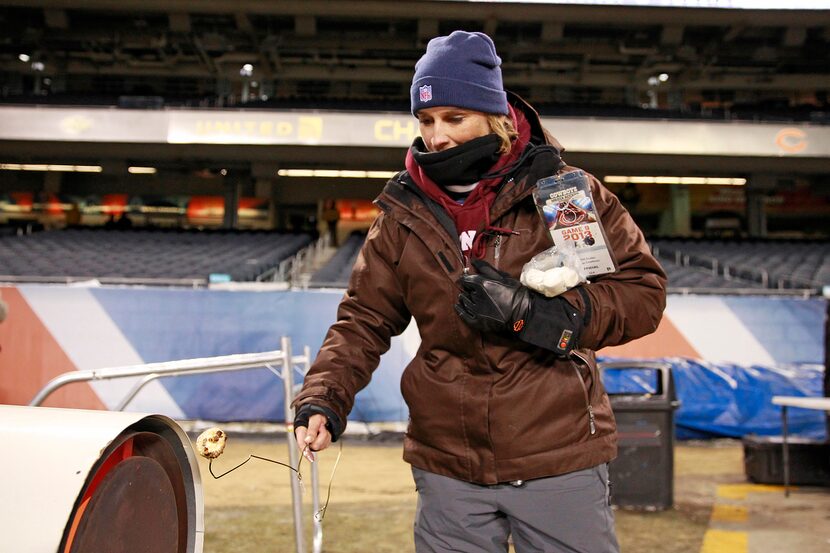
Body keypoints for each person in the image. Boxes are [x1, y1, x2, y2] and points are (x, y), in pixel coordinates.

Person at [293, 30, 666, 553]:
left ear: (493, 115)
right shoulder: (403, 213)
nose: (437, 136)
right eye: (425, 120)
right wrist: (323, 398)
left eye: (453, 117)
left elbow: (640, 294)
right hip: (448, 465)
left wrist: (541, 317)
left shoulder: (560, 192)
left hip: (556, 456)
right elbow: (362, 320)